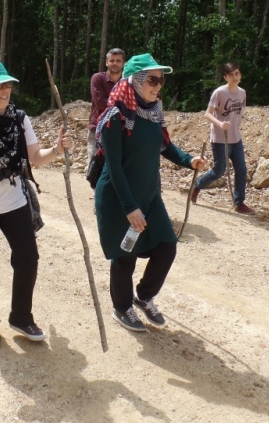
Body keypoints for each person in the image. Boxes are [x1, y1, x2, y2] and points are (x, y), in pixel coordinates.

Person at [0, 59, 72, 347]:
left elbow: (34, 158)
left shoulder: (20, 120)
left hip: (14, 202)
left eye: (7, 84)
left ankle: (21, 317)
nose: (4, 90)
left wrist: (57, 150)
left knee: (28, 259)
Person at [94, 53, 206, 332]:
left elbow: (165, 145)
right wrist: (130, 208)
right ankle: (122, 308)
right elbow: (115, 167)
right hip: (119, 199)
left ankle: (143, 297)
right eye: (152, 80)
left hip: (148, 195)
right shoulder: (115, 116)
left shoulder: (154, 112)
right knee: (124, 258)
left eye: (161, 80)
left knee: (167, 247)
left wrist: (189, 160)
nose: (158, 86)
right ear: (136, 81)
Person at [191, 63, 255, 215]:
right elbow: (207, 113)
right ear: (225, 77)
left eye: (237, 74)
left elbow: (238, 113)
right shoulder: (219, 93)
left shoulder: (242, 93)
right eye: (231, 74)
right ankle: (197, 186)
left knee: (241, 169)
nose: (235, 77)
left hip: (236, 138)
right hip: (220, 139)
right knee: (219, 171)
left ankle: (239, 203)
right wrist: (220, 123)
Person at [88, 48, 125, 167]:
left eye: (118, 61)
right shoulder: (98, 78)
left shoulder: (127, 81)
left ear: (123, 63)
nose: (115, 63)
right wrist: (123, 104)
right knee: (94, 169)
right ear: (106, 62)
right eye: (112, 60)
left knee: (118, 168)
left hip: (121, 131)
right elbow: (100, 103)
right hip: (97, 129)